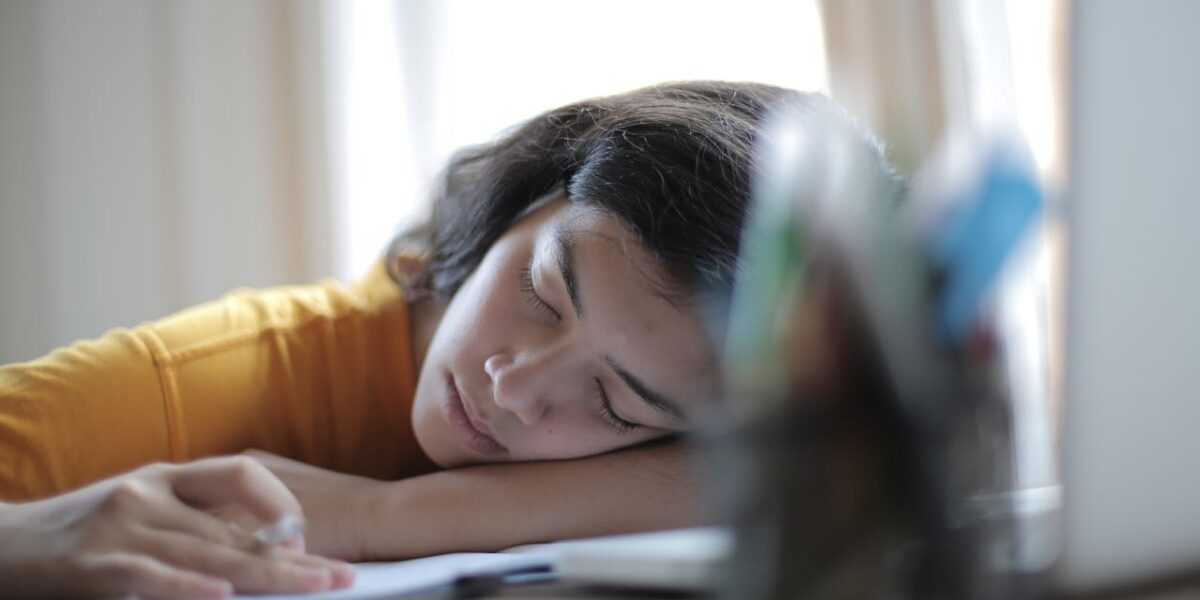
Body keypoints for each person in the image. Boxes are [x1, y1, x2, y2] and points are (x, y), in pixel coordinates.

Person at [0, 81, 897, 599]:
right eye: (542, 293)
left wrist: (379, 516)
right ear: (526, 201)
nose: (515, 387)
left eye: (611, 400)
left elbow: (823, 467)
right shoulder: (194, 385)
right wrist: (27, 540)